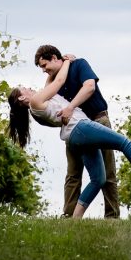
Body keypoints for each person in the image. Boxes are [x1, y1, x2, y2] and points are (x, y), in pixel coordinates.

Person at [8, 57, 131, 218]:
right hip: (81, 127)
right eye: (24, 88)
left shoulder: (37, 104)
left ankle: (75, 220)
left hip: (74, 136)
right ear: (22, 97)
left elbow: (50, 83)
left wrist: (55, 68)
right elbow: (59, 81)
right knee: (124, 142)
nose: (29, 88)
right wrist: (67, 61)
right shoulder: (35, 101)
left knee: (98, 179)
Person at [35, 44, 119, 218]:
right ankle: (69, 217)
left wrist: (70, 107)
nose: (43, 70)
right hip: (74, 129)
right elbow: (47, 94)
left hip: (98, 120)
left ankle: (112, 217)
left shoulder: (79, 64)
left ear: (54, 58)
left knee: (108, 173)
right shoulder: (56, 81)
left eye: (44, 65)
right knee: (73, 175)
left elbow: (89, 87)